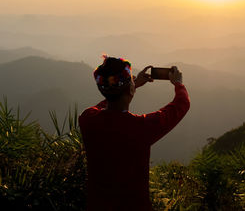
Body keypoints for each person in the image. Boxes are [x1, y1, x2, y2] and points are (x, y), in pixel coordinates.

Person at [79, 56, 190, 211]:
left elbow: (106, 103)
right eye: (131, 79)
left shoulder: (87, 119)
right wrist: (178, 83)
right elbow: (181, 104)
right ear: (129, 89)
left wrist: (134, 84)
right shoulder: (141, 128)